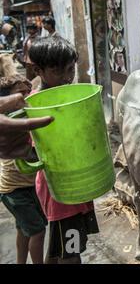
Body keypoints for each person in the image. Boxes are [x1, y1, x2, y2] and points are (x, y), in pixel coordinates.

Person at [27, 36, 99, 264]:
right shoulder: (37, 106)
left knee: (58, 249)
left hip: (72, 188)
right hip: (62, 192)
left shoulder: (67, 99)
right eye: (58, 72)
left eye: (70, 69)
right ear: (38, 70)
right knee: (72, 253)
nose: (68, 78)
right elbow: (33, 152)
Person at [0, 58, 47, 264]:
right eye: (22, 95)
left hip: (22, 186)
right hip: (15, 190)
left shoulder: (16, 97)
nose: (26, 97)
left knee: (23, 228)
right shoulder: (14, 121)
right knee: (37, 231)